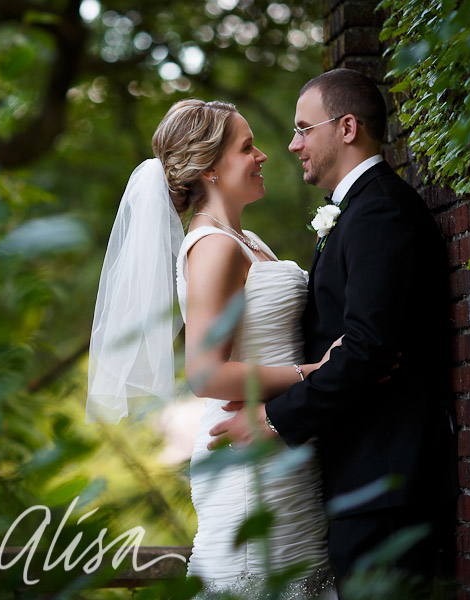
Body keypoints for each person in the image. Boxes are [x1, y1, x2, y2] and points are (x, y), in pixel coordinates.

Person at [209, 69, 457, 594]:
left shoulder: (379, 213)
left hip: (385, 481)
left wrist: (274, 418)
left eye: (303, 128)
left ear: (346, 128)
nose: (292, 145)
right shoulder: (359, 211)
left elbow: (367, 350)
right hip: (363, 478)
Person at [86, 99, 340, 597]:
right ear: (209, 169)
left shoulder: (247, 240)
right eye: (248, 148)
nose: (264, 155)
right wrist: (315, 371)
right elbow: (205, 375)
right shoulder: (213, 249)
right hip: (249, 464)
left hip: (280, 449)